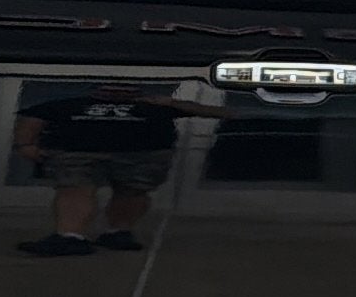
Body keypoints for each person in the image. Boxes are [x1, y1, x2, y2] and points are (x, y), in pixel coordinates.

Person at [15, 79, 217, 255]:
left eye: (124, 88)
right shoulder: (69, 103)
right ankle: (69, 236)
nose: (117, 91)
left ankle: (118, 233)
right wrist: (25, 144)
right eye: (111, 87)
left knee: (132, 192)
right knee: (74, 188)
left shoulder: (157, 105)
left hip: (144, 154)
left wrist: (173, 103)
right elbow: (33, 118)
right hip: (75, 152)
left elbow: (217, 112)